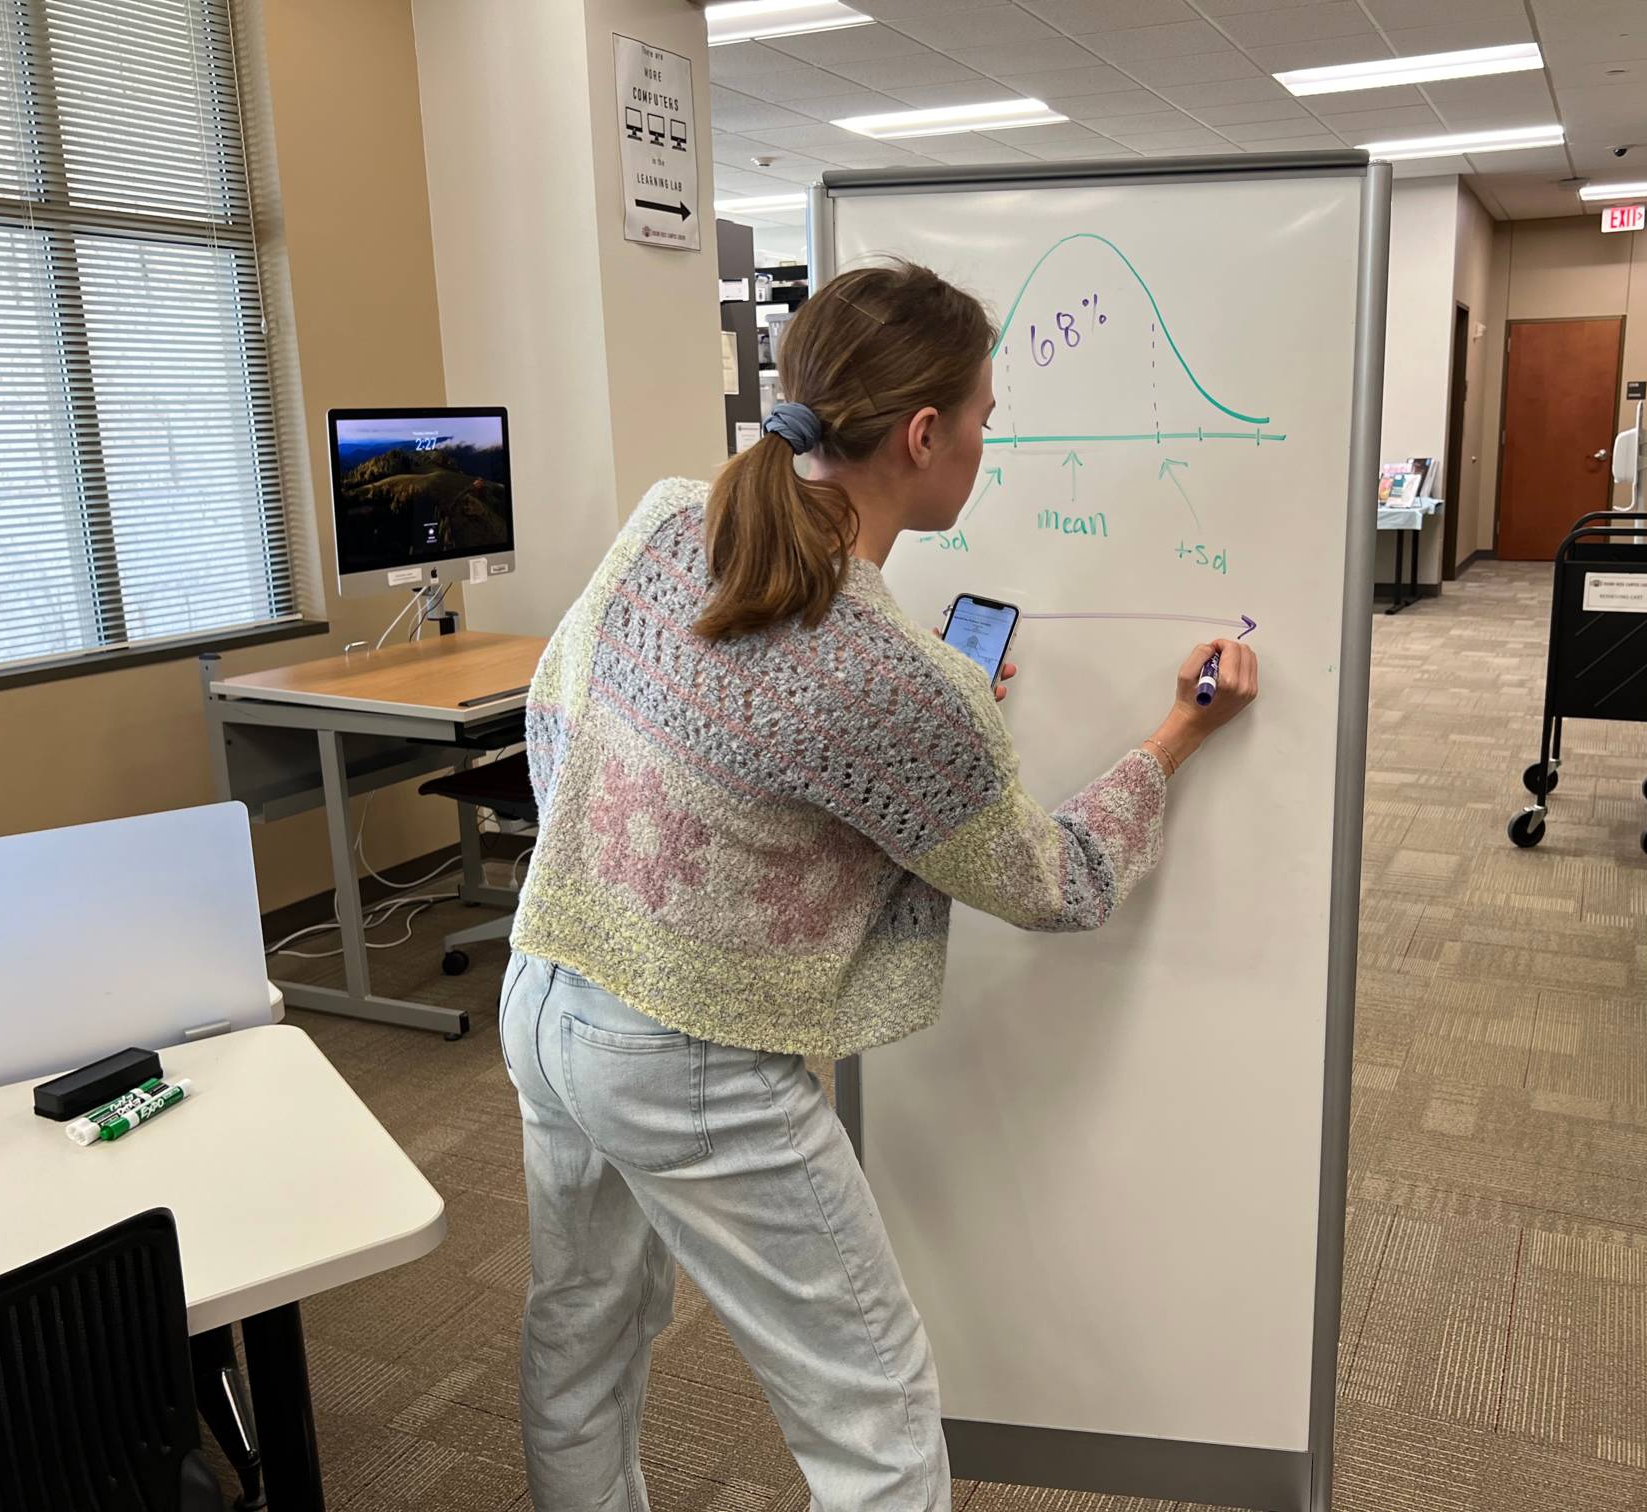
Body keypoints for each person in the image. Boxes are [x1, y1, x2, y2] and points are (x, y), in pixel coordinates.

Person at [499, 260, 1258, 1512]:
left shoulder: (667, 522)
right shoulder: (899, 681)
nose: (985, 443)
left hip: (547, 987)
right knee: (879, 1414)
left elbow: (558, 716)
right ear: (923, 436)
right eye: (983, 422)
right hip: (685, 1061)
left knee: (582, 1332)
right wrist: (1176, 735)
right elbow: (1055, 883)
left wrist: (629, 890)